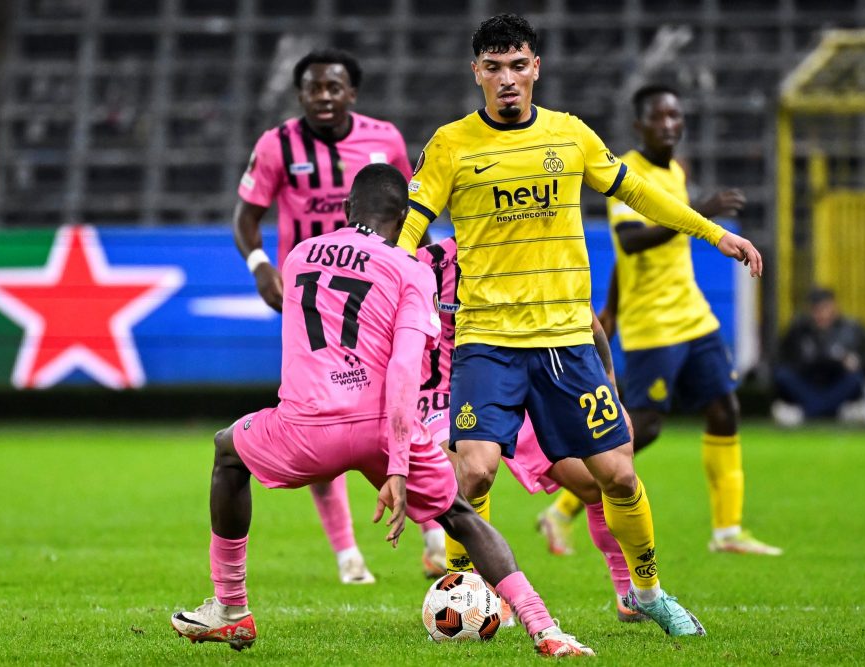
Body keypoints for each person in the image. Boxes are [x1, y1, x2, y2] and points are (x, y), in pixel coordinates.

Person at [399, 13, 762, 635]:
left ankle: (647, 592)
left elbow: (640, 194)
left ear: (535, 67)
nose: (507, 79)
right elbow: (411, 225)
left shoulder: (570, 136)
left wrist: (714, 233)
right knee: (475, 469)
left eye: (518, 66)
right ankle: (470, 591)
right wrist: (391, 280)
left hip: (567, 343)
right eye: (493, 68)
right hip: (487, 341)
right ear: (476, 73)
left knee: (619, 473)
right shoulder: (451, 144)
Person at [171, 164, 593, 657]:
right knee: (459, 515)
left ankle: (231, 609)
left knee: (227, 451)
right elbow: (403, 370)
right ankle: (545, 629)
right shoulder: (413, 270)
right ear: (407, 215)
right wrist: (396, 463)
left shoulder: (300, 255)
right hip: (379, 429)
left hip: (305, 428)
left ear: (347, 209)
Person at [538, 84, 781, 557]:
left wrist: (609, 307)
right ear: (639, 125)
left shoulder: (678, 171)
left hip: (693, 313)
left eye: (675, 116)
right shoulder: (626, 173)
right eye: (659, 117)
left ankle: (727, 531)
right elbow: (631, 243)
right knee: (643, 427)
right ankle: (562, 509)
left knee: (724, 409)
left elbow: (631, 262)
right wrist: (699, 214)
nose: (670, 124)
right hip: (654, 323)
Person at [232, 48, 444, 584]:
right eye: (313, 88)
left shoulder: (385, 140)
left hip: (376, 292)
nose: (323, 97)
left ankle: (434, 532)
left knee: (399, 395)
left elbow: (406, 211)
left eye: (334, 88)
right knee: (315, 411)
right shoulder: (276, 145)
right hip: (310, 299)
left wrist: (416, 275)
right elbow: (247, 216)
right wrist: (260, 267)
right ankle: (349, 554)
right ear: (299, 94)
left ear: (352, 93)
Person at [416, 235, 644, 624]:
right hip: (441, 392)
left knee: (593, 484)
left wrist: (611, 391)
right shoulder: (425, 265)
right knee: (469, 473)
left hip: (513, 387)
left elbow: (587, 323)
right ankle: (469, 592)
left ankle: (628, 591)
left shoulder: (531, 251)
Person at [772, 287, 865, 427]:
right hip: (808, 386)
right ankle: (832, 413)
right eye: (816, 309)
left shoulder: (853, 329)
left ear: (834, 307)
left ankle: (807, 414)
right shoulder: (798, 331)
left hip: (838, 387)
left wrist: (856, 362)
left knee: (856, 378)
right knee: (784, 375)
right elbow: (780, 362)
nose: (821, 314)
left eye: (824, 308)